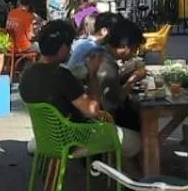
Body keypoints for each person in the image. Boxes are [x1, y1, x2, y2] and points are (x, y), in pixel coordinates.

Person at [18, 20, 142, 158]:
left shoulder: (26, 74)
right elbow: (92, 111)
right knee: (137, 142)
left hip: (46, 136)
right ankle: (128, 174)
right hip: (73, 139)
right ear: (63, 47)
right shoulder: (61, 76)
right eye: (70, 44)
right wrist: (93, 74)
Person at [88, 20, 146, 130]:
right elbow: (113, 105)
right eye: (135, 48)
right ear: (125, 45)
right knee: (140, 118)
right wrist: (133, 80)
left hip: (94, 116)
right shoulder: (106, 64)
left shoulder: (99, 51)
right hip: (104, 123)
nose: (135, 53)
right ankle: (143, 145)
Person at [5, 0, 40, 64]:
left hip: (9, 46)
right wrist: (37, 32)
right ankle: (38, 69)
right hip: (22, 47)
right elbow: (30, 37)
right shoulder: (29, 16)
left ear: (19, 1)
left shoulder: (11, 13)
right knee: (43, 47)